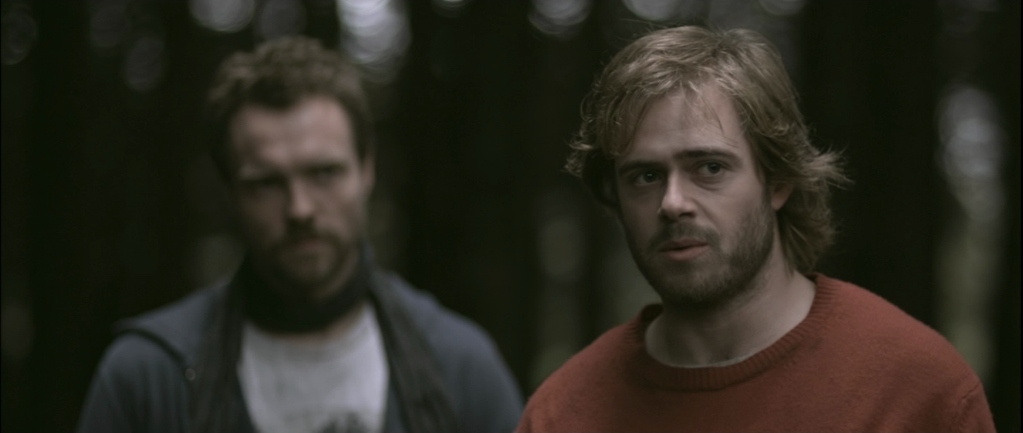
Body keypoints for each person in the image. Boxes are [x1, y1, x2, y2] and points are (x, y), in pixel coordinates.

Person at [517, 26, 994, 433]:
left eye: (709, 167)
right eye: (645, 176)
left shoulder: (916, 391)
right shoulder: (563, 413)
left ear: (778, 181)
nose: (672, 203)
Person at [77, 36, 522, 433]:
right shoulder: (148, 376)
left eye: (324, 173)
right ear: (229, 193)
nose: (300, 209)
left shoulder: (459, 367)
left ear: (367, 170)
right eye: (266, 183)